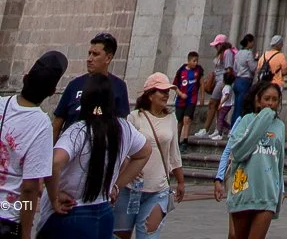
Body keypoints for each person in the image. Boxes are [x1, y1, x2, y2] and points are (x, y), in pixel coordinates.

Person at [44, 75, 148, 239]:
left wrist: (54, 196)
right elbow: (144, 152)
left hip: (73, 211)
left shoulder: (79, 130)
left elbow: (55, 162)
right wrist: (116, 186)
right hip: (104, 212)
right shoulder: (124, 128)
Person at [0, 51, 67, 239]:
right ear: (52, 91)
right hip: (7, 215)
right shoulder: (41, 125)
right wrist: (26, 234)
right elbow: (29, 187)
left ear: (25, 78)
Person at [213, 80, 285, 239]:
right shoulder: (246, 120)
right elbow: (237, 152)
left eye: (275, 100)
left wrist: (281, 189)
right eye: (267, 99)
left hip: (267, 193)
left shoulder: (280, 126)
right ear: (258, 101)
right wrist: (263, 119)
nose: (271, 104)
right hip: (244, 190)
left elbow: (279, 161)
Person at [113, 80, 181, 239]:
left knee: (149, 236)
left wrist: (181, 180)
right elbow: (123, 149)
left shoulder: (171, 119)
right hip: (130, 189)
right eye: (162, 91)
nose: (166, 95)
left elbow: (174, 153)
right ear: (150, 95)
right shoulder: (134, 117)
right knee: (119, 236)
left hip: (158, 189)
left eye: (168, 91)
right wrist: (128, 168)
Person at [54, 47, 128, 132]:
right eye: (89, 53)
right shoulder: (74, 84)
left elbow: (122, 127)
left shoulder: (119, 86)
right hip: (71, 140)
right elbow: (58, 121)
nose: (89, 59)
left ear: (108, 58)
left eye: (95, 54)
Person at [169, 61, 200, 151]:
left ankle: (185, 141)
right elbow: (174, 85)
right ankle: (176, 141)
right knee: (179, 122)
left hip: (191, 101)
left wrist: (201, 96)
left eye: (196, 60)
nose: (195, 63)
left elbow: (201, 83)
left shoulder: (198, 71)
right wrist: (180, 94)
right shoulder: (181, 71)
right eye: (193, 60)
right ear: (189, 60)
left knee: (187, 120)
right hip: (180, 101)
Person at [229, 43, 258, 129]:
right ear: (249, 42)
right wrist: (256, 60)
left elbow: (234, 68)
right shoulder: (248, 53)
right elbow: (253, 68)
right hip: (245, 81)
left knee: (236, 106)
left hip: (237, 80)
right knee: (242, 106)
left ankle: (232, 126)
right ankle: (236, 128)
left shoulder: (238, 53)